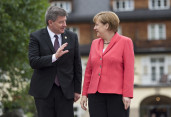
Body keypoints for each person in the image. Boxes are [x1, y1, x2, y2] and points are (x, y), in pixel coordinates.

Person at [28, 6, 82, 117]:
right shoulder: (36, 37)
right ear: (50, 22)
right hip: (43, 91)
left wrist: (77, 90)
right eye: (61, 22)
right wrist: (54, 57)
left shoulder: (72, 37)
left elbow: (77, 65)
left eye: (65, 21)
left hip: (65, 90)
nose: (65, 25)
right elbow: (33, 62)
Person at [80, 11, 134, 117]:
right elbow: (89, 71)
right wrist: (84, 94)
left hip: (116, 95)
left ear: (107, 25)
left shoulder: (125, 42)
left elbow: (129, 70)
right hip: (95, 95)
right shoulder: (94, 43)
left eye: (97, 25)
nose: (94, 28)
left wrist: (127, 95)